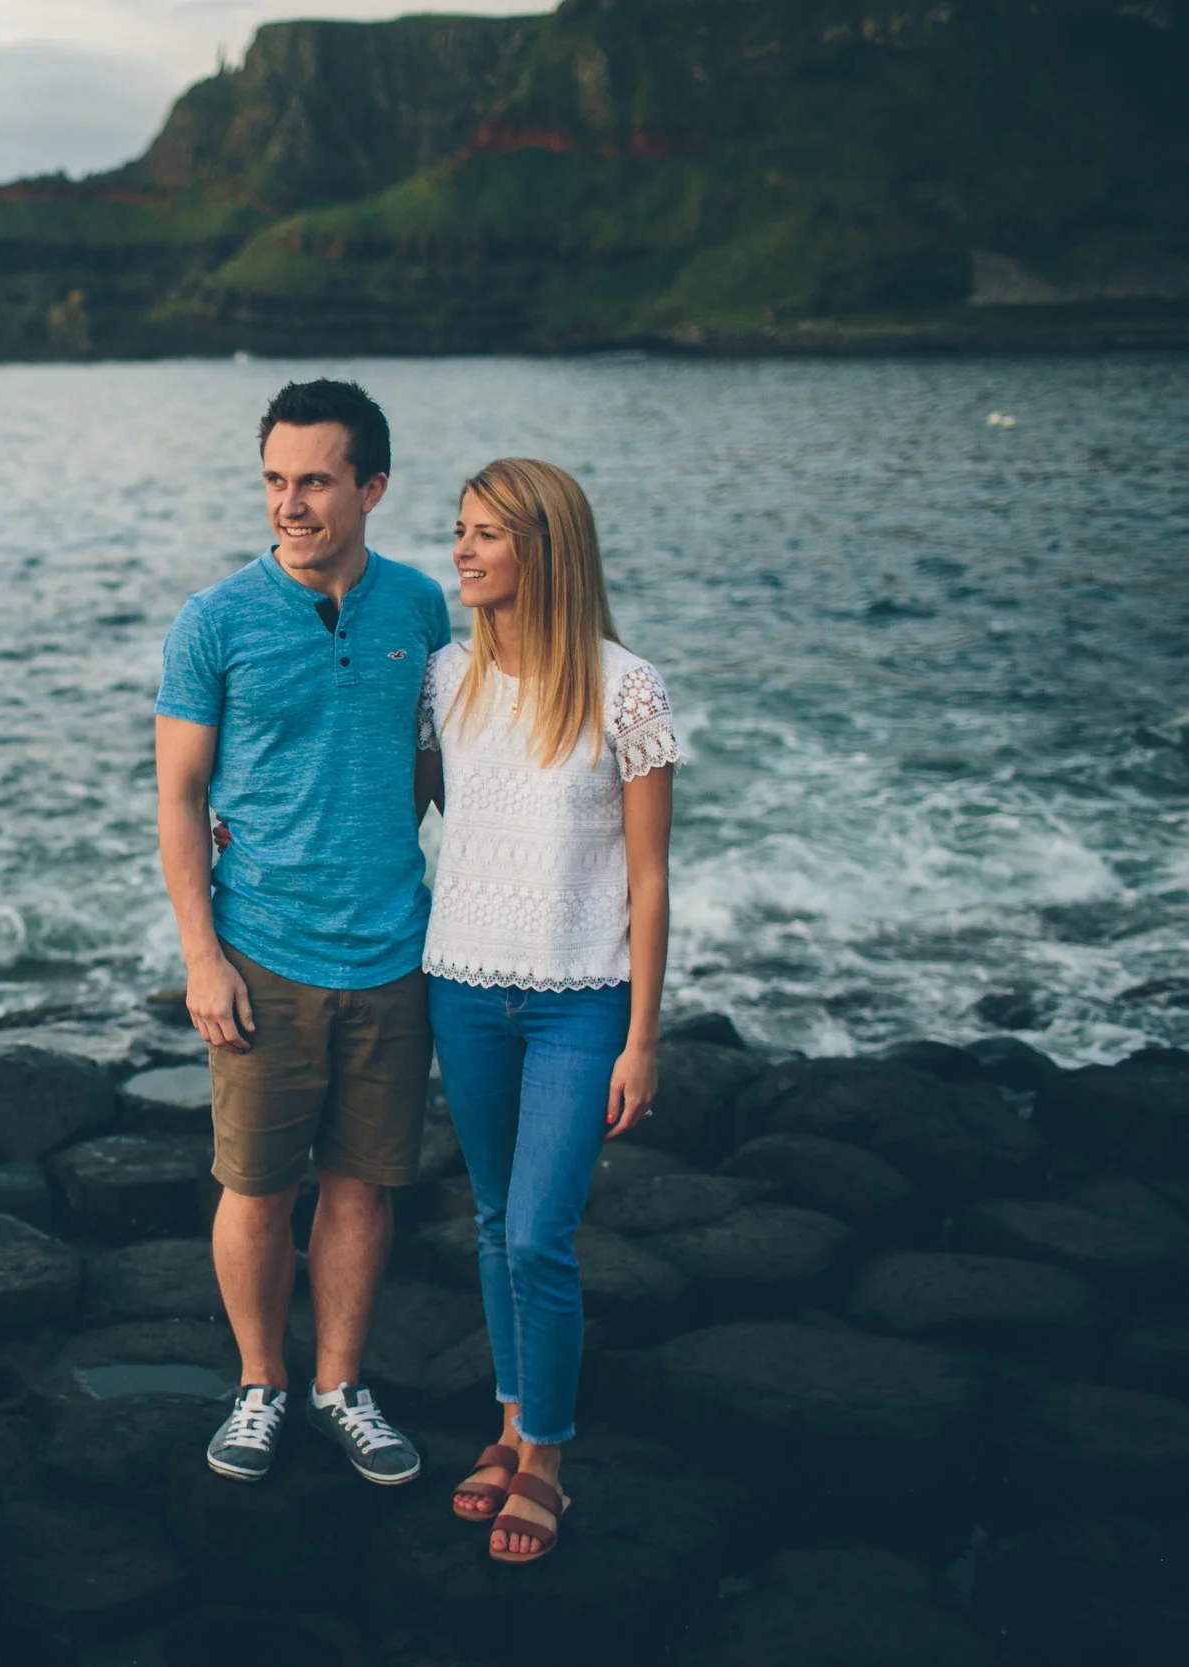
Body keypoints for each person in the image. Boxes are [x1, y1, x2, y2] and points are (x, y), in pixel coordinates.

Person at [153, 379, 450, 1487]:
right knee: (257, 1184)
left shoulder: (420, 607)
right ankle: (259, 1383)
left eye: (315, 481)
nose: (290, 503)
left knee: (365, 1184)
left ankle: (340, 1384)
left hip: (392, 950)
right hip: (261, 952)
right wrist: (201, 955)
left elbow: (431, 762)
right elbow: (179, 796)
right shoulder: (214, 621)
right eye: (275, 480)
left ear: (371, 487)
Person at [422, 459, 680, 1563]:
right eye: (459, 530)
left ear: (545, 549)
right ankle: (510, 1419)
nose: (462, 551)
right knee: (492, 1219)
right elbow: (404, 797)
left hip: (582, 998)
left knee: (539, 1231)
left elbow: (651, 876)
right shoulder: (443, 676)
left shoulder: (627, 686)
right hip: (462, 985)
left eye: (485, 534)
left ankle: (550, 1458)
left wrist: (642, 1036)